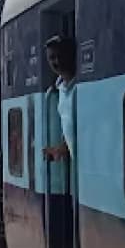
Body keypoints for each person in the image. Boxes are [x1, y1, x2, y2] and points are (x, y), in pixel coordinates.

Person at [43, 36, 77, 165]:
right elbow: (71, 131)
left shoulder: (80, 87)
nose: (57, 61)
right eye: (52, 58)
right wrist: (60, 149)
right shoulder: (60, 89)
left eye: (61, 56)